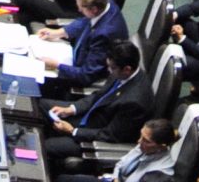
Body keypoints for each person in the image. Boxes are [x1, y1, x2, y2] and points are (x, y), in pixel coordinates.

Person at [42, 40, 150, 173]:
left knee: (45, 146)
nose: (109, 71)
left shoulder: (135, 102)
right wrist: (72, 109)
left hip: (94, 135)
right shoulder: (122, 73)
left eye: (112, 68)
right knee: (42, 106)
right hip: (90, 116)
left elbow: (110, 135)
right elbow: (98, 95)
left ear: (127, 69)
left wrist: (72, 131)